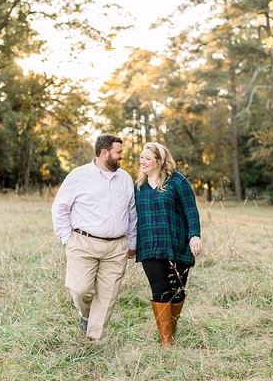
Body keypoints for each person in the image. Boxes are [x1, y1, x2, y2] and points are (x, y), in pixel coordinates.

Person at [51, 134, 137, 342]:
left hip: (117, 246)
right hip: (83, 243)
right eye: (118, 152)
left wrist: (132, 243)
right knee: (80, 289)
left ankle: (94, 342)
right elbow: (60, 208)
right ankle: (85, 315)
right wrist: (66, 238)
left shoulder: (125, 178)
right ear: (104, 153)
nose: (122, 157)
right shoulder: (78, 176)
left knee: (107, 296)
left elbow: (132, 212)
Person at [134, 142, 202, 347]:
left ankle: (171, 328)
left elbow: (191, 210)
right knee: (160, 290)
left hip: (177, 244)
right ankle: (167, 340)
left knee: (177, 291)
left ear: (160, 161)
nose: (142, 162)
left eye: (147, 158)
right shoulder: (138, 186)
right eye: (141, 158)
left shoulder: (177, 182)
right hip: (149, 245)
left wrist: (195, 236)